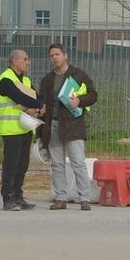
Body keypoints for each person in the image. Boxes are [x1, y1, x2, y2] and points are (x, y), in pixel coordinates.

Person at [36, 42, 98, 210]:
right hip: (53, 124)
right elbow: (41, 99)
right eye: (52, 56)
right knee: (57, 164)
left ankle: (84, 198)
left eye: (57, 54)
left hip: (73, 125)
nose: (54, 58)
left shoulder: (78, 75)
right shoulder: (47, 79)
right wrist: (40, 108)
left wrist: (79, 100)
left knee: (78, 162)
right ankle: (60, 197)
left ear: (65, 56)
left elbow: (93, 95)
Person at [0, 50, 42, 211]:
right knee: (11, 165)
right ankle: (8, 198)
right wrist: (39, 105)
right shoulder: (5, 80)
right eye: (25, 59)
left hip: (25, 128)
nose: (28, 62)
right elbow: (19, 97)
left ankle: (18, 197)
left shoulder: (25, 80)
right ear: (15, 61)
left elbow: (35, 96)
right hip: (10, 129)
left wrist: (39, 105)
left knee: (22, 165)